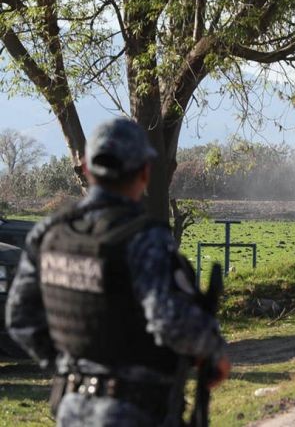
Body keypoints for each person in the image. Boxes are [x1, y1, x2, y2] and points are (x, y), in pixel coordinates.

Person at [5, 118, 231, 426]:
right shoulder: (144, 239)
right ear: (145, 172)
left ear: (85, 169)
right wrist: (213, 350)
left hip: (71, 409)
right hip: (135, 412)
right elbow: (171, 320)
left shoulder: (49, 234)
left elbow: (21, 318)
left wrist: (68, 367)